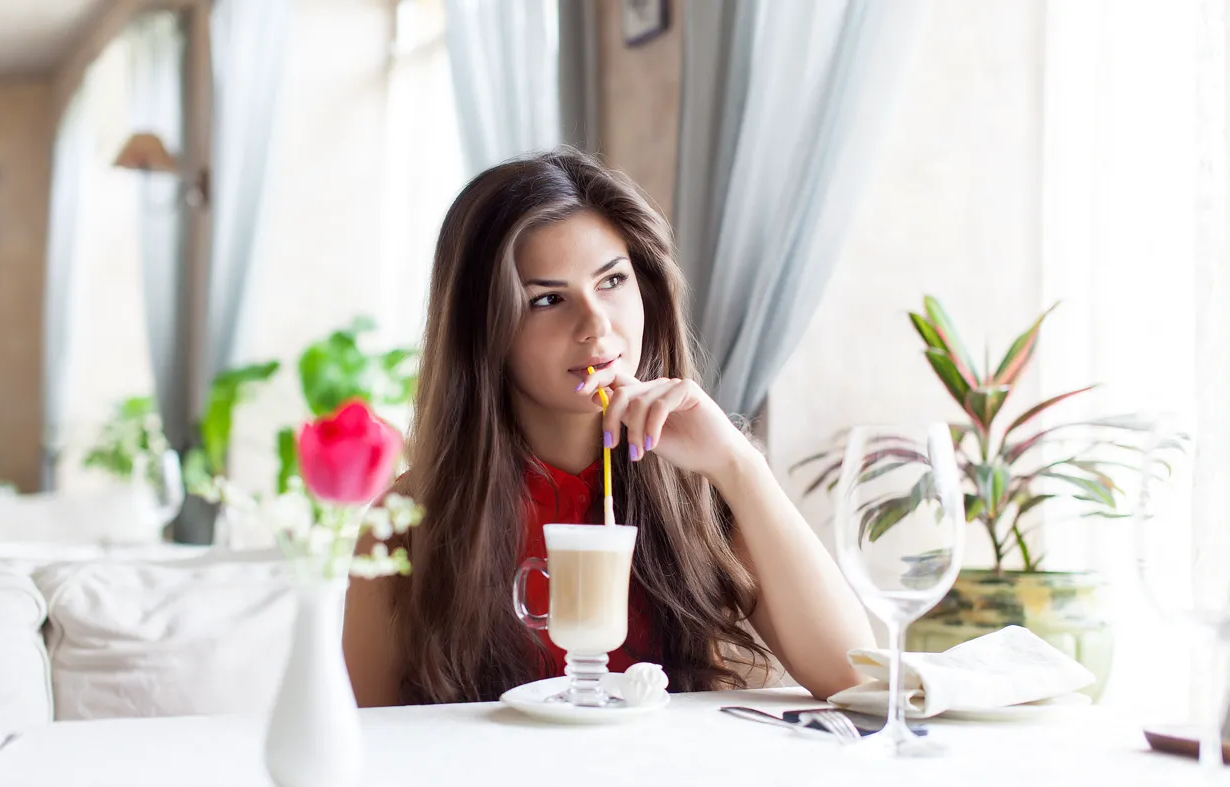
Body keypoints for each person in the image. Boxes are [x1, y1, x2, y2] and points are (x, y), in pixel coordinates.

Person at [344, 148, 873, 707]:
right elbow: (374, 743)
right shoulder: (406, 525)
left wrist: (738, 466)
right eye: (547, 299)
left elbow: (855, 679)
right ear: (485, 332)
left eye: (612, 281)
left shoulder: (705, 492)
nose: (595, 325)